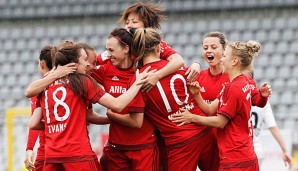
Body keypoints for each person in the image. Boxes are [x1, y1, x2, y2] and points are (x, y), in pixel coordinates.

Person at [28, 44, 150, 170]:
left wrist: (61, 123)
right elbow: (117, 105)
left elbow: (33, 123)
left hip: (52, 155)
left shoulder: (46, 85)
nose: (87, 64)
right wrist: (137, 83)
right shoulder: (83, 82)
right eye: (85, 60)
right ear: (74, 64)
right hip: (77, 154)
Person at [127, 28, 219, 171]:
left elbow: (136, 121)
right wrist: (196, 63)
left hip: (180, 143)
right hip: (205, 133)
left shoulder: (138, 79)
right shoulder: (177, 66)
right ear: (159, 48)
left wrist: (110, 115)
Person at [171, 40, 272, 170]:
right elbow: (209, 110)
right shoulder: (244, 80)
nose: (221, 60)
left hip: (234, 158)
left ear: (234, 61)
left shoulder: (233, 88)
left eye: (224, 56)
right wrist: (197, 94)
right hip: (247, 155)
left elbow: (220, 122)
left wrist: (191, 118)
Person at [91, 28, 159, 171]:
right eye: (106, 50)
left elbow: (172, 61)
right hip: (117, 147)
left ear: (126, 48)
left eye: (111, 50)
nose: (108, 55)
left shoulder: (142, 68)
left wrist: (196, 63)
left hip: (143, 145)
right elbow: (82, 68)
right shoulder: (105, 70)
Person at [97, 1, 201, 92]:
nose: (128, 25)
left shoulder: (155, 44)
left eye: (134, 22)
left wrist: (196, 64)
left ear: (146, 26)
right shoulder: (121, 45)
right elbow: (94, 62)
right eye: (127, 22)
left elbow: (178, 61)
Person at [24, 45, 54, 171]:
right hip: (72, 148)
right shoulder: (71, 83)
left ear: (41, 64)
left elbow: (35, 122)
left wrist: (29, 149)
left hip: (47, 148)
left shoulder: (38, 87)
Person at [252, 102, 293, 168]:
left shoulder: (239, 97)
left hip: (241, 150)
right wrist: (285, 151)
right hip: (257, 151)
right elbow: (273, 127)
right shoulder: (264, 101)